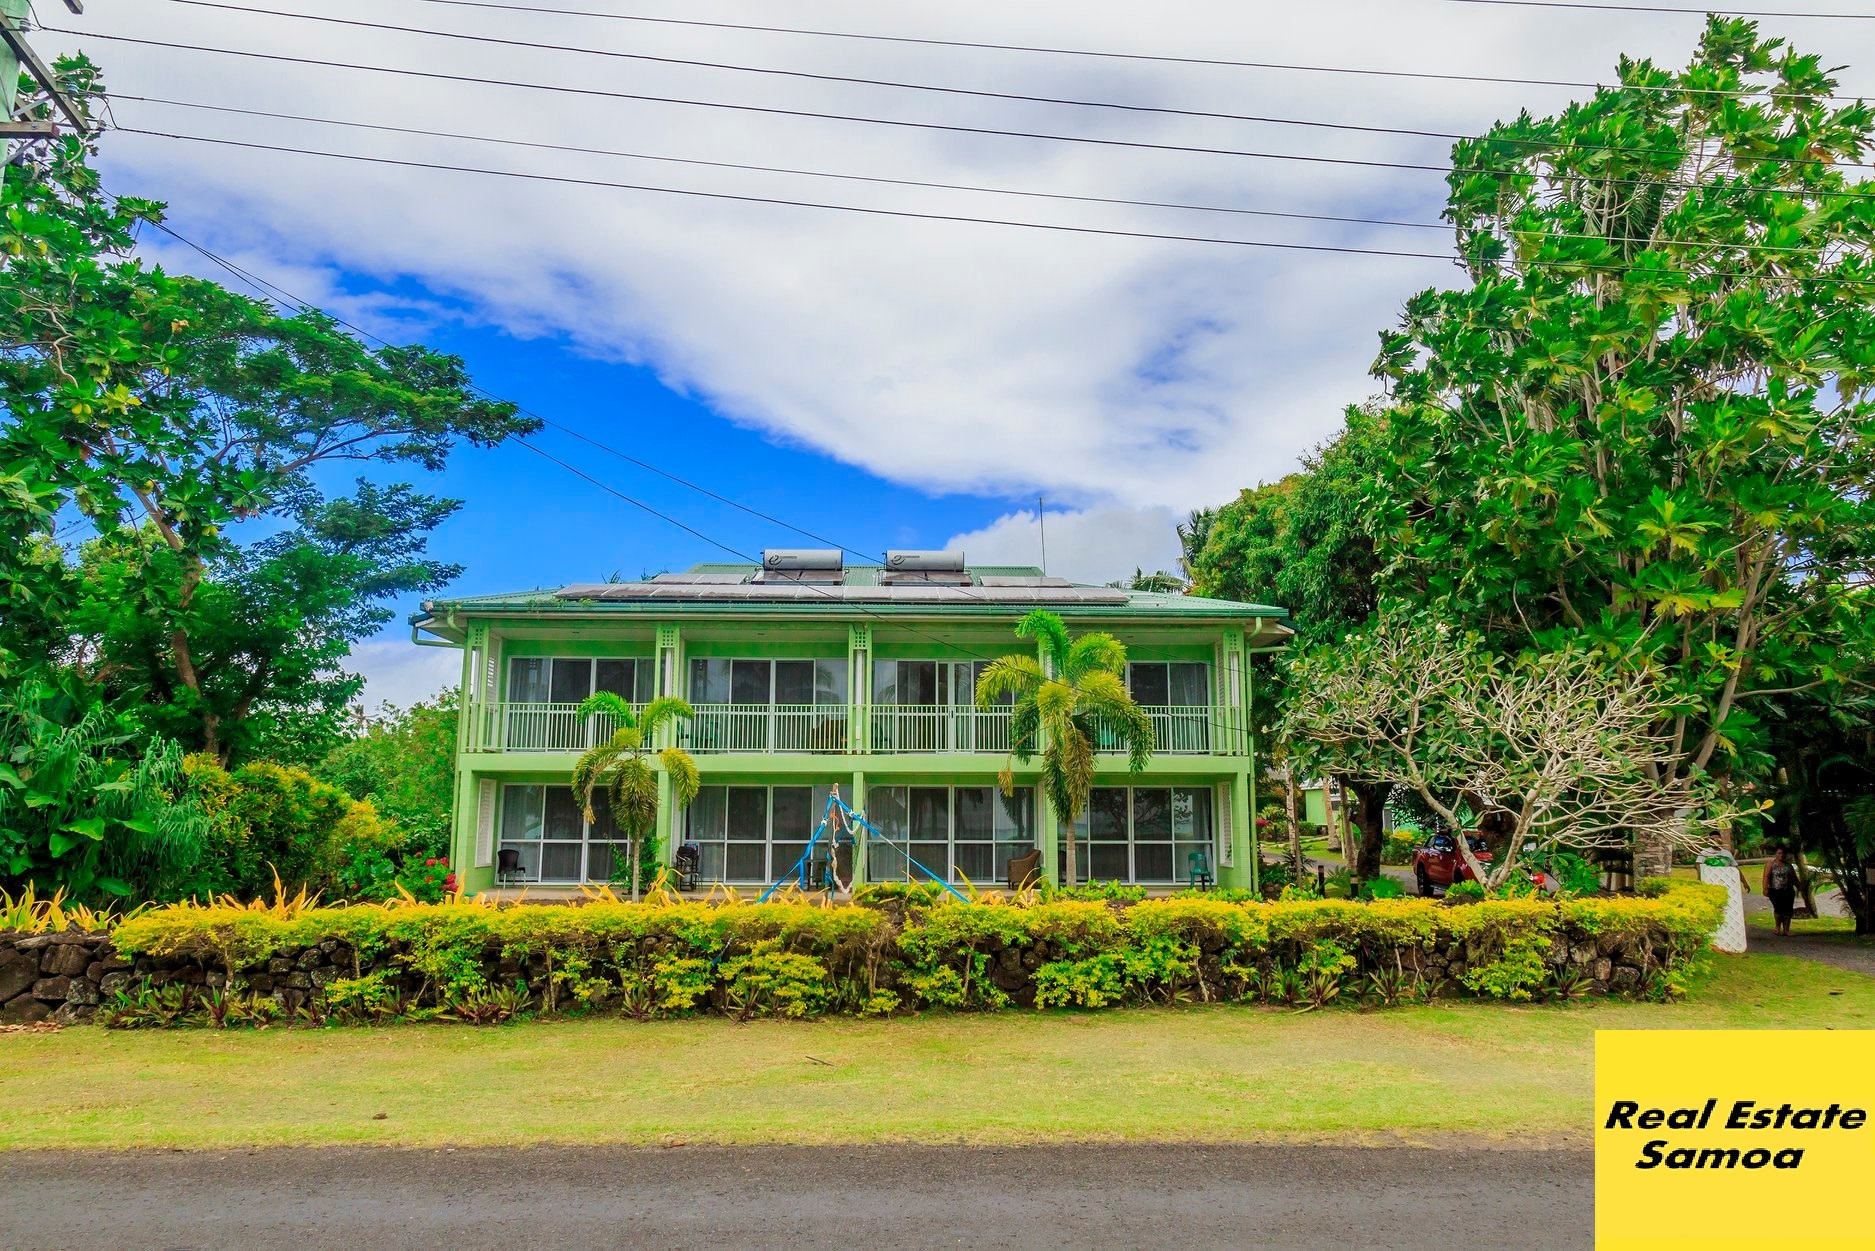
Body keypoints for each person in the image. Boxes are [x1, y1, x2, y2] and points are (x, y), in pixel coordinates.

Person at [1762, 847, 1798, 937]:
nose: (1781, 855)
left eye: (1783, 854)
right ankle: (1777, 927)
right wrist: (1765, 888)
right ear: (1776, 854)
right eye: (1779, 853)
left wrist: (1801, 887)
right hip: (1775, 890)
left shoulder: (1789, 866)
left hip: (1788, 890)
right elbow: (1766, 876)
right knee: (1778, 909)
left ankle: (1786, 929)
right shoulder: (1771, 864)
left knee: (1788, 910)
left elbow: (1794, 878)